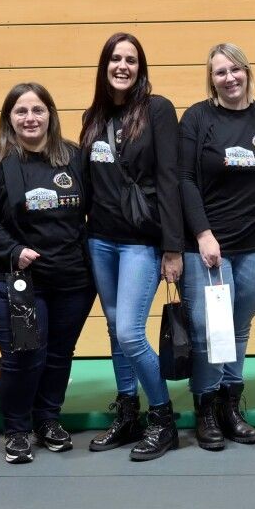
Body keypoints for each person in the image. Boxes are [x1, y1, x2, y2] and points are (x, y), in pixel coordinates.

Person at [0, 83, 105, 463]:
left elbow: (97, 206)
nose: (30, 118)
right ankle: (16, 428)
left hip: (72, 281)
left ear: (50, 115)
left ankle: (47, 420)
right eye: (21, 111)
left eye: (38, 110)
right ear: (9, 118)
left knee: (59, 355)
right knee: (24, 357)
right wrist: (13, 250)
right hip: (15, 283)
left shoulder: (73, 157)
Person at [80, 33, 185, 457]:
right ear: (104, 65)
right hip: (100, 240)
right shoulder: (93, 116)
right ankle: (128, 414)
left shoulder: (157, 110)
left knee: (129, 331)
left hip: (140, 242)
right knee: (113, 330)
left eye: (131, 60)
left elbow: (170, 179)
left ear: (140, 68)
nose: (122, 66)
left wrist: (173, 248)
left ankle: (162, 417)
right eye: (115, 58)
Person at [178, 43, 255, 451]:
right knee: (210, 328)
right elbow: (184, 180)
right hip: (210, 246)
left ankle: (230, 405)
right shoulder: (197, 117)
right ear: (212, 79)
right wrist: (203, 234)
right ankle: (205, 407)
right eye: (220, 72)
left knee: (238, 326)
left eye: (235, 69)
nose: (229, 78)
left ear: (247, 71)